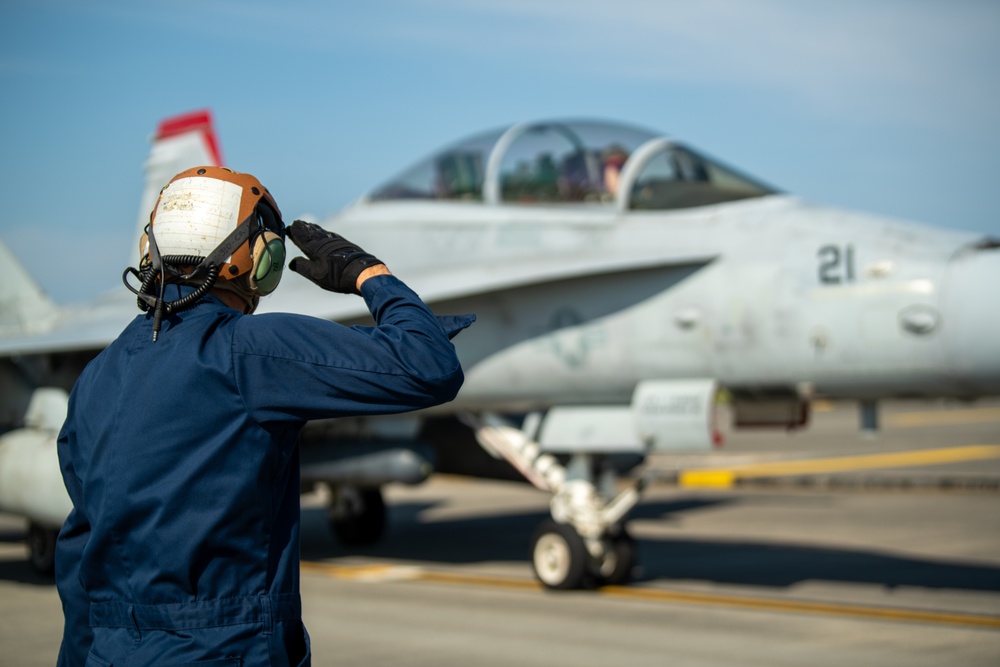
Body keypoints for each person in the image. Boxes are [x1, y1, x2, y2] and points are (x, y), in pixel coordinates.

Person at [55, 166, 473, 666]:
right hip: (227, 651)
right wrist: (367, 272)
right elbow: (428, 366)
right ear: (255, 259)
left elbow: (79, 555)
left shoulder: (95, 379)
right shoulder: (249, 352)